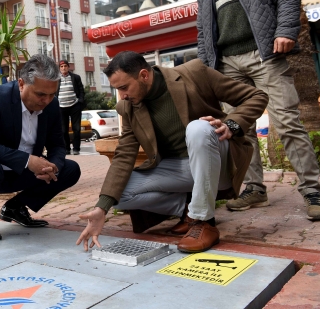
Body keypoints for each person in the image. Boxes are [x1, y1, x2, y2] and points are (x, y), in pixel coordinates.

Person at [188, 0, 320, 219]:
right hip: (227, 66)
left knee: (287, 122)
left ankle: (313, 191)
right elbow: (203, 34)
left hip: (265, 55)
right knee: (239, 130)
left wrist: (286, 30)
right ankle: (255, 189)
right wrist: (207, 68)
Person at [76, 51, 268, 253]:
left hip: (218, 162)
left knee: (198, 128)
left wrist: (232, 124)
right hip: (182, 170)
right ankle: (188, 210)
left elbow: (256, 96)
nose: (122, 95)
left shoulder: (195, 73)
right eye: (118, 90)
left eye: (124, 87)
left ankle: (203, 222)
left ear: (144, 75)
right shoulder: (129, 106)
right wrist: (101, 208)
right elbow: (124, 156)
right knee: (118, 194)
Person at [0, 55, 82, 241]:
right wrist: (28, 160)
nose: (46, 100)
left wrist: (53, 166)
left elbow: (57, 145)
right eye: (40, 94)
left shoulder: (51, 105)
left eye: (51, 94)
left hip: (22, 172)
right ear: (21, 84)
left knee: (70, 169)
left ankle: (15, 208)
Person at [56, 60, 85, 155]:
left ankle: (76, 148)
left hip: (74, 106)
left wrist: (80, 101)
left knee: (76, 129)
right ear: (59, 68)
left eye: (65, 66)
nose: (63, 68)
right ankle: (67, 149)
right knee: (63, 130)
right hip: (61, 107)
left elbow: (81, 90)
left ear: (68, 67)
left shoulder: (75, 77)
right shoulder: (56, 79)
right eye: (61, 66)